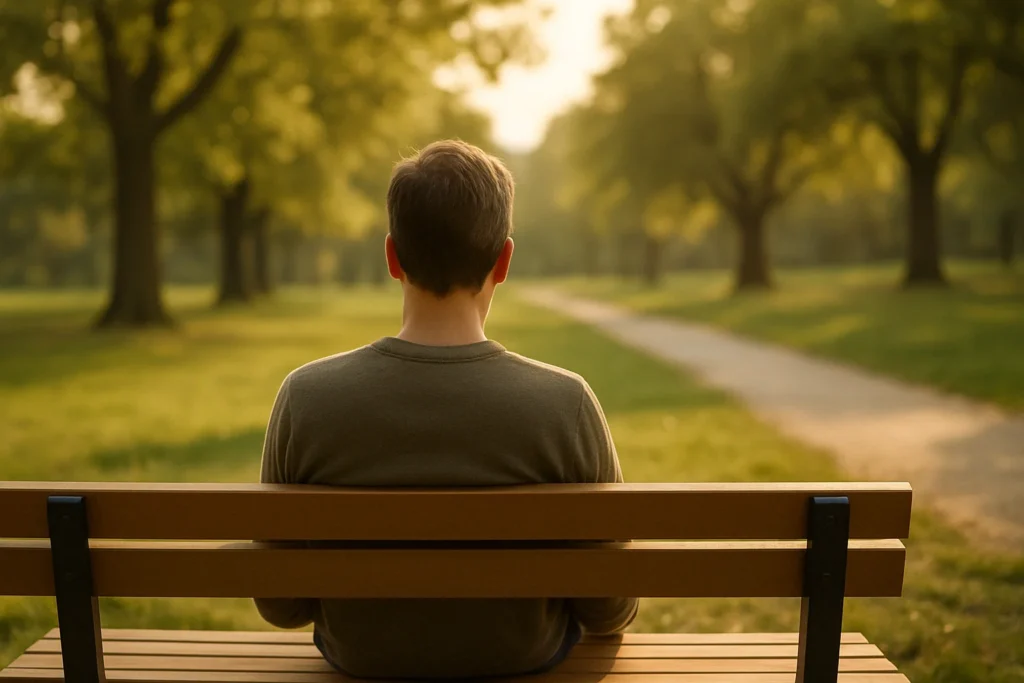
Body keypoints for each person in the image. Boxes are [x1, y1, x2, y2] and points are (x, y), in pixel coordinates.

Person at [254, 140, 637, 679]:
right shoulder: (566, 402)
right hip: (520, 664)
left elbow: (280, 604)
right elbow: (609, 608)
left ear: (392, 256)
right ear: (504, 261)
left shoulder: (305, 396)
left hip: (364, 663)